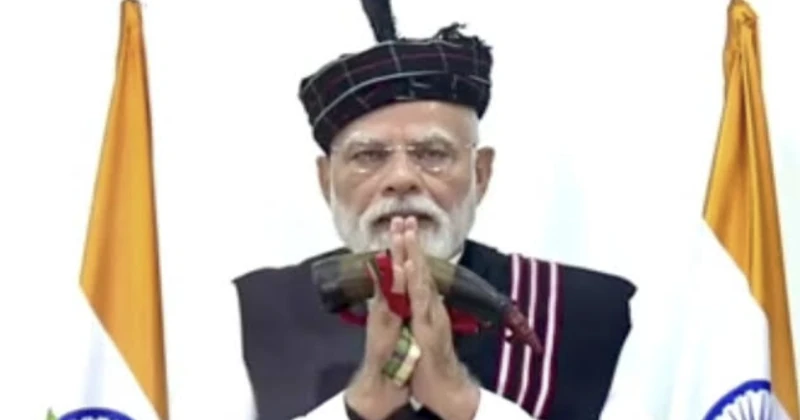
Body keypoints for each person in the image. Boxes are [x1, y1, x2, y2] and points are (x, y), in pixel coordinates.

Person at [232, 1, 636, 419]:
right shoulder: (252, 312)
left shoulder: (593, 314)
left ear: (480, 173)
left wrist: (465, 404)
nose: (401, 178)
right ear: (326, 179)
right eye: (368, 156)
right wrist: (360, 407)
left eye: (432, 153)